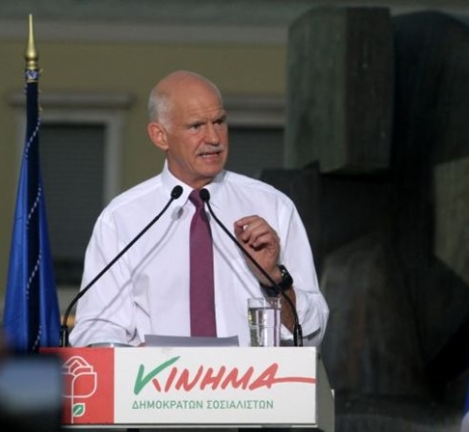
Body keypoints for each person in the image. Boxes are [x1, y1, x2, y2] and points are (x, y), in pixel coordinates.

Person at [69, 70, 329, 347]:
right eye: (196, 126)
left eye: (219, 122)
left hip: (254, 376)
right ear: (160, 136)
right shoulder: (122, 218)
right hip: (155, 375)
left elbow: (312, 334)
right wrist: (130, 358)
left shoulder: (273, 206)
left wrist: (274, 278)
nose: (214, 138)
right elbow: (95, 330)